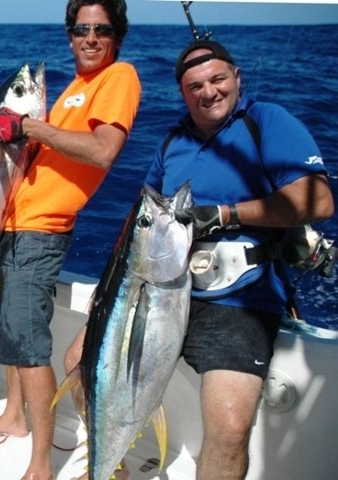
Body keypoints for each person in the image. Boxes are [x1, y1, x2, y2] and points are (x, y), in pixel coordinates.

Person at [0, 1, 141, 478]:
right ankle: (15, 416)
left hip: (41, 234)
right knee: (14, 335)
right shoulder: (75, 89)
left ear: (116, 36)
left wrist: (29, 126)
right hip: (13, 230)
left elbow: (103, 151)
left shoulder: (119, 76)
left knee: (30, 346)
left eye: (100, 29)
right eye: (81, 28)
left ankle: (40, 465)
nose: (89, 38)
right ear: (69, 35)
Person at [145, 39, 334, 478]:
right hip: (163, 290)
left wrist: (228, 213)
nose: (208, 92)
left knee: (229, 430)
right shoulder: (172, 141)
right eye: (195, 86)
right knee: (79, 360)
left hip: (239, 301)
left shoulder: (267, 121)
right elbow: (143, 213)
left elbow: (319, 201)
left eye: (217, 79)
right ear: (182, 92)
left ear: (237, 78)